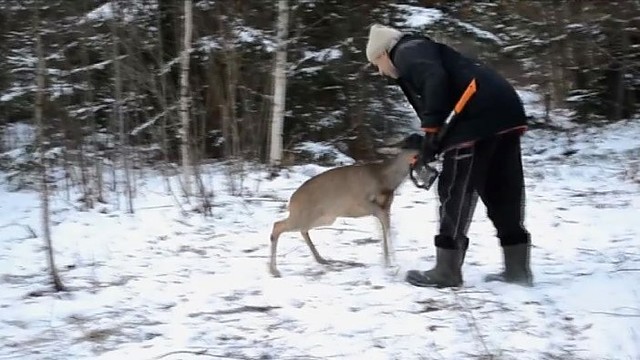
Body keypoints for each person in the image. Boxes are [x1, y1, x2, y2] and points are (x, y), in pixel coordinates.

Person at [365, 23, 533, 288]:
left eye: (376, 63)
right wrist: (431, 142)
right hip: (504, 109)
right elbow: (443, 100)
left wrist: (431, 130)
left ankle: (447, 271)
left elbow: (434, 79)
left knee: (455, 191)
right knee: (502, 187)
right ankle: (518, 270)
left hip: (475, 113)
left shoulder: (405, 50)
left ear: (382, 53)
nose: (379, 71)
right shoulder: (426, 50)